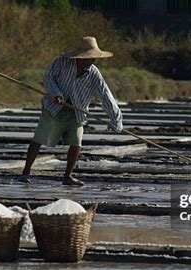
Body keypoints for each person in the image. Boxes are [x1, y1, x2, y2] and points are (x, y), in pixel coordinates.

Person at [18, 36, 123, 186]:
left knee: (76, 143)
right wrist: (56, 94)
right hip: (54, 109)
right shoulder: (61, 63)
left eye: (93, 58)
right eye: (89, 57)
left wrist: (116, 119)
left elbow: (105, 94)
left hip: (76, 112)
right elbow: (48, 78)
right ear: (80, 57)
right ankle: (26, 172)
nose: (92, 61)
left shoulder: (93, 73)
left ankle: (68, 176)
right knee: (39, 139)